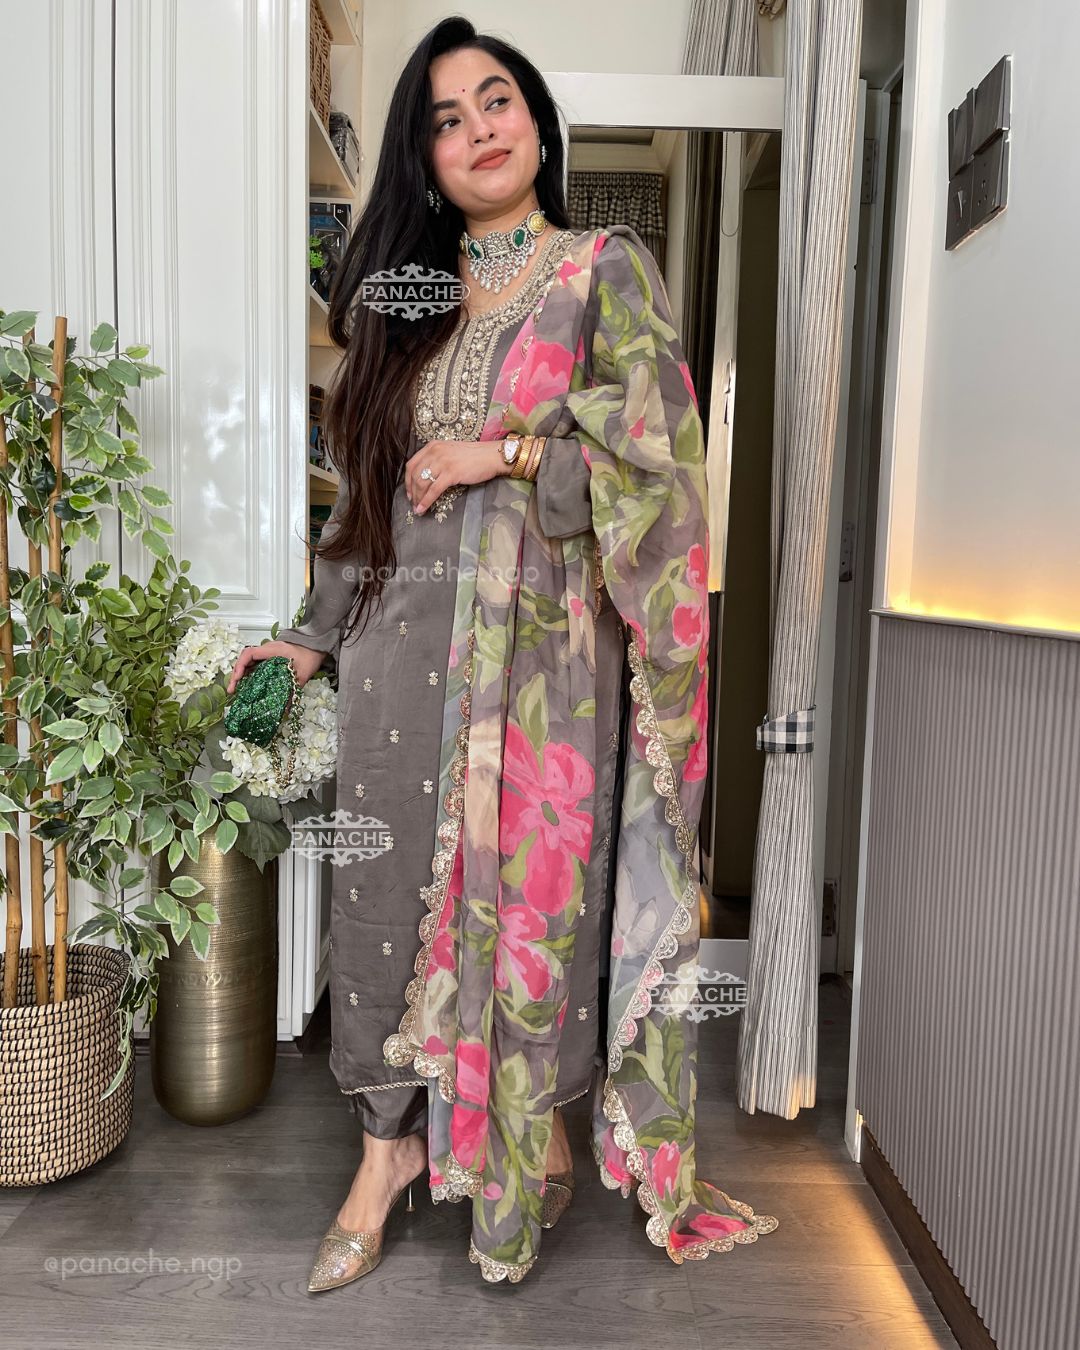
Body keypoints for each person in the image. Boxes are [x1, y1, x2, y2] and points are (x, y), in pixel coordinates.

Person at [227, 15, 778, 1290]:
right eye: (446, 118)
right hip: (395, 665)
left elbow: (663, 478)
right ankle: (385, 1156)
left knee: (534, 924)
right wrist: (306, 640)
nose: (478, 128)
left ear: (535, 122)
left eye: (497, 100)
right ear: (423, 161)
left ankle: (525, 1140)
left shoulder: (603, 273)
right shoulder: (407, 303)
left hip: (542, 688)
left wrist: (508, 452)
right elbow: (365, 505)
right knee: (380, 916)